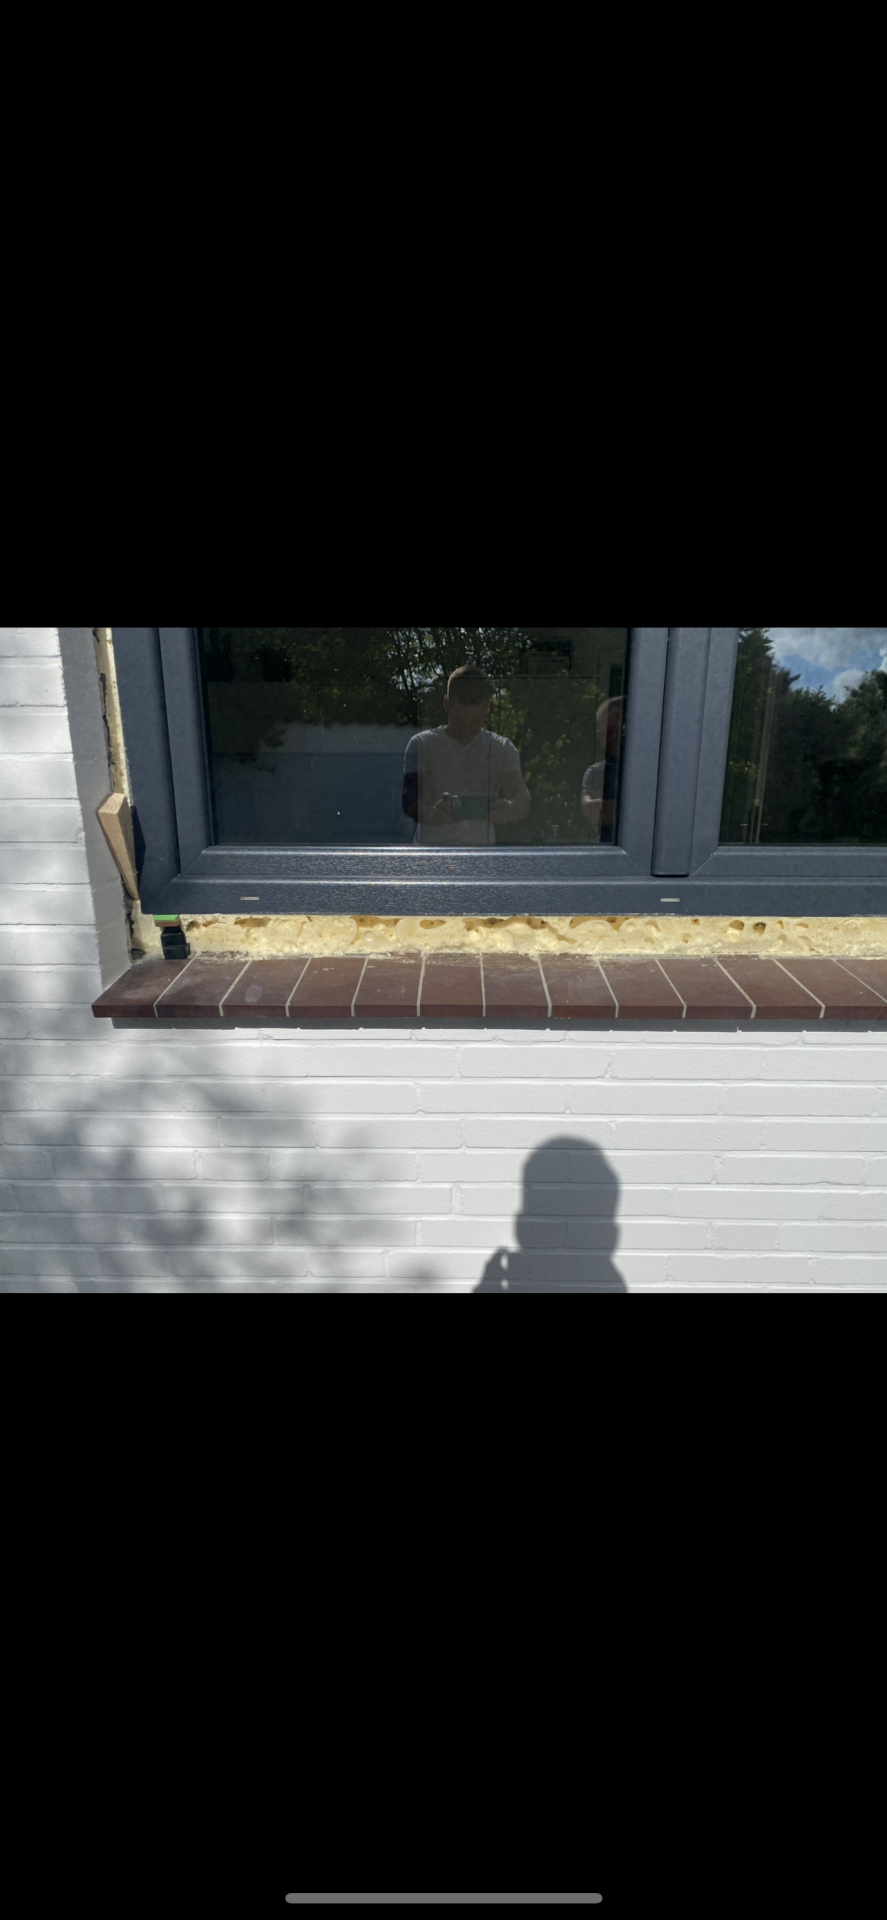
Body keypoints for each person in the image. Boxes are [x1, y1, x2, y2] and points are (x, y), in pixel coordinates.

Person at [402, 664, 531, 845]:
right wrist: (431, 813)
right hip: (431, 855)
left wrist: (510, 808)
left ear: (488, 708)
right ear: (447, 704)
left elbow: (521, 795)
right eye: (460, 721)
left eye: (476, 722)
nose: (467, 730)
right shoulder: (422, 744)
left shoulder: (501, 748)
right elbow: (409, 799)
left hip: (481, 857)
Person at [581, 695, 625, 843]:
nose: (609, 738)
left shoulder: (655, 769)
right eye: (602, 733)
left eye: (614, 730)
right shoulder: (597, 772)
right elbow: (593, 812)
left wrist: (608, 803)